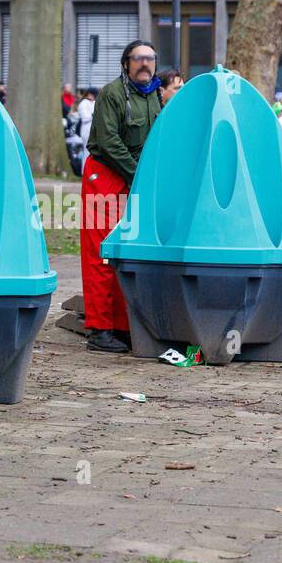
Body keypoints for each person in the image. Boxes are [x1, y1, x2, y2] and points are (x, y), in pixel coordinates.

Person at [80, 41, 162, 354]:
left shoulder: (154, 95)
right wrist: (138, 175)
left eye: (150, 59)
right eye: (138, 59)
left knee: (128, 253)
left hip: (132, 177)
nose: (145, 64)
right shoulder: (112, 94)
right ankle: (100, 330)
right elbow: (109, 142)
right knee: (101, 254)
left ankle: (123, 326)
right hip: (105, 175)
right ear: (126, 63)